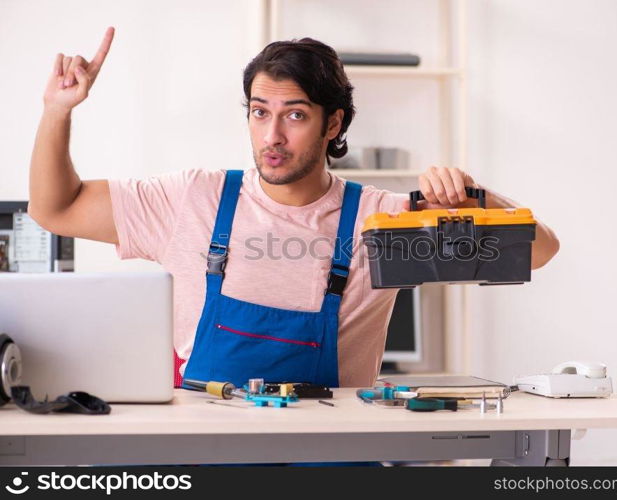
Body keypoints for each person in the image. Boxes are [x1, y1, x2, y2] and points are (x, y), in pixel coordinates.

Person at [29, 27, 560, 390]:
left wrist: (476, 198)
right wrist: (57, 110)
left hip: (328, 457)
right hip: (205, 447)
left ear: (334, 124)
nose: (272, 136)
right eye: (260, 113)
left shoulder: (386, 223)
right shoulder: (193, 197)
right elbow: (56, 209)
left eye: (296, 115)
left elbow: (537, 252)